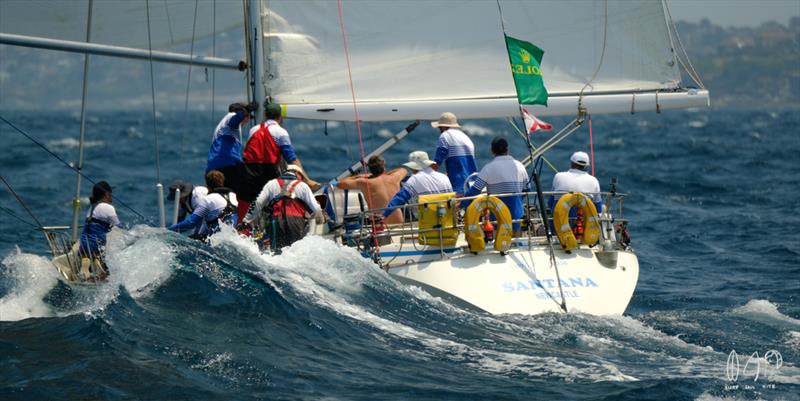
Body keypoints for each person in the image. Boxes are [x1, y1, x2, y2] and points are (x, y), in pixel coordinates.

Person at [238, 102, 319, 222]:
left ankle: (245, 229)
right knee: (274, 204)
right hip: (267, 173)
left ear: (265, 115)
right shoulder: (280, 132)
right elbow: (291, 158)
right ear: (280, 117)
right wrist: (307, 180)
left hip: (248, 173)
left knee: (250, 206)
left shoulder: (253, 130)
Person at [241, 164, 323, 252]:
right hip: (297, 223)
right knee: (295, 252)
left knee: (276, 252)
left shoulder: (272, 184)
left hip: (276, 221)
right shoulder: (303, 186)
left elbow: (258, 203)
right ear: (297, 173)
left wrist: (246, 220)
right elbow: (316, 208)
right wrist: (320, 219)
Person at [464, 137, 529, 231]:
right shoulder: (520, 166)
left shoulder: (488, 168)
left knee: (498, 243)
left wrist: (462, 204)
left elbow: (475, 190)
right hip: (517, 218)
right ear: (507, 149)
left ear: (492, 151)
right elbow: (527, 189)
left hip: (497, 220)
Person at [336, 155, 407, 224]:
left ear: (370, 168)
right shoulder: (394, 178)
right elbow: (403, 170)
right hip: (399, 224)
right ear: (383, 164)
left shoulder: (365, 182)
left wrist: (362, 176)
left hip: (379, 226)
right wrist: (386, 174)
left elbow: (340, 184)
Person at [382, 151, 453, 220]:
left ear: (414, 167)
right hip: (447, 221)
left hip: (426, 224)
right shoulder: (444, 177)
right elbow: (451, 199)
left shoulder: (414, 179)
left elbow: (400, 198)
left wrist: (384, 214)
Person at [206, 101, 258, 195]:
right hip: (228, 166)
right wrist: (247, 110)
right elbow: (234, 121)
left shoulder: (222, 126)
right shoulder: (231, 117)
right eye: (248, 117)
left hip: (212, 168)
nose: (248, 120)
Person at [169, 170, 238, 240]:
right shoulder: (233, 195)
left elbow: (191, 223)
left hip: (221, 233)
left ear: (207, 185)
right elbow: (179, 222)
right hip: (236, 229)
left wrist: (168, 231)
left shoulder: (205, 199)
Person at [79, 181, 120, 275]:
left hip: (83, 244)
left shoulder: (92, 207)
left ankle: (86, 263)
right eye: (111, 194)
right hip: (96, 245)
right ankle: (100, 266)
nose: (112, 196)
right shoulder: (108, 208)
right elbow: (119, 227)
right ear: (106, 194)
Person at [431, 112, 477, 195]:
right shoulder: (465, 137)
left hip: (458, 185)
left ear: (443, 126)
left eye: (440, 127)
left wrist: (425, 174)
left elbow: (437, 163)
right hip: (472, 184)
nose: (439, 130)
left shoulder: (444, 136)